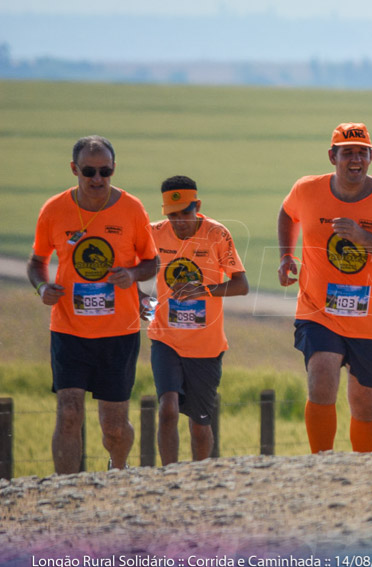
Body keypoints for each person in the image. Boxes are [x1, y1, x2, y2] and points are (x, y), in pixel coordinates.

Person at [27, 135, 159, 473]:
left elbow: (152, 262)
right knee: (69, 411)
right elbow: (36, 261)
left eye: (105, 171)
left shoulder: (131, 209)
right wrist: (42, 286)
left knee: (113, 425)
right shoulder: (54, 210)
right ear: (74, 169)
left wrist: (131, 274)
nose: (98, 179)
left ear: (114, 169)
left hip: (119, 331)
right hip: (69, 329)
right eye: (89, 171)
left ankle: (118, 470)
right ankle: (66, 490)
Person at [278, 122, 372, 453]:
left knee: (365, 403)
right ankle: (320, 464)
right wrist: (286, 256)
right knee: (321, 379)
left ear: (371, 156)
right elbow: (286, 214)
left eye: (362, 153)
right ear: (332, 156)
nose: (355, 160)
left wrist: (363, 237)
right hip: (318, 310)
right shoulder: (307, 189)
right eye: (347, 153)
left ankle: (361, 469)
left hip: (371, 317)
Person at [146, 176, 248, 464]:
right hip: (165, 339)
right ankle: (169, 477)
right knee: (167, 408)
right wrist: (142, 301)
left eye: (186, 214)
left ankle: (199, 478)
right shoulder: (153, 233)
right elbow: (135, 267)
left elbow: (242, 285)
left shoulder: (217, 234)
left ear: (198, 206)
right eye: (172, 215)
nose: (179, 222)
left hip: (207, 345)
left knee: (201, 424)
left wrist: (203, 289)